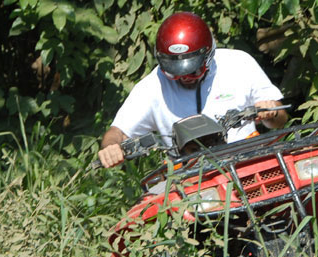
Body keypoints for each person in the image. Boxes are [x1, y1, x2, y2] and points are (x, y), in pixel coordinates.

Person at [98, 12, 288, 168]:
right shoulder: (152, 87)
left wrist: (271, 111)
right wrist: (111, 148)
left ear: (208, 55)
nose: (183, 78)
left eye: (192, 71)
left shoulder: (238, 63)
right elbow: (118, 132)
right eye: (174, 72)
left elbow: (280, 120)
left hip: (247, 160)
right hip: (188, 175)